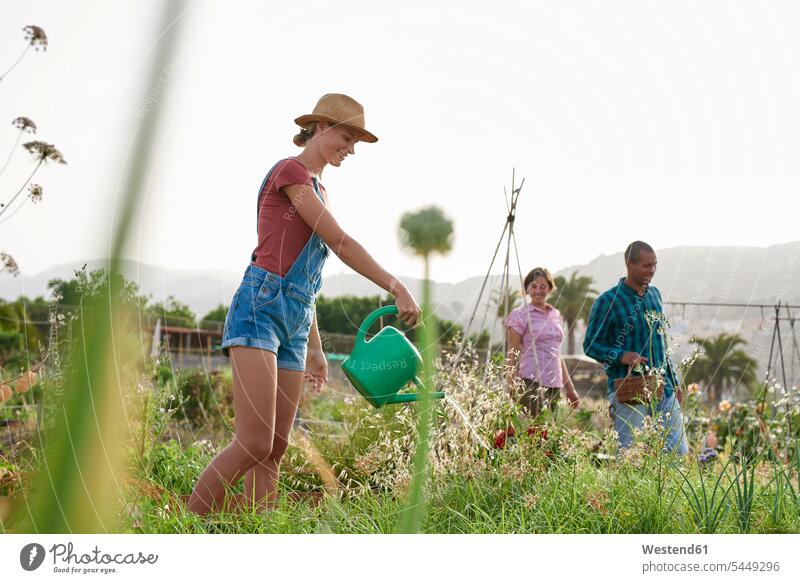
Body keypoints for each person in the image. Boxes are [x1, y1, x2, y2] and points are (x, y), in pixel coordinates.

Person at [187, 94, 421, 515]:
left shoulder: (322, 190)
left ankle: (257, 532)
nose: (350, 149)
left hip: (296, 319)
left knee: (275, 448)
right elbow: (340, 242)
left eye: (355, 144)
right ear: (320, 127)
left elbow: (308, 282)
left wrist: (313, 345)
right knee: (253, 442)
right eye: (346, 138)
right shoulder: (289, 172)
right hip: (260, 307)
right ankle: (184, 526)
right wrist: (394, 284)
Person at [583, 241, 688, 455]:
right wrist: (621, 356)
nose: (652, 270)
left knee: (677, 452)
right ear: (629, 265)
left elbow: (661, 341)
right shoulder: (607, 301)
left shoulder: (655, 295)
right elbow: (591, 345)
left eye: (654, 265)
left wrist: (675, 382)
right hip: (629, 389)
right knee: (632, 455)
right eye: (646, 265)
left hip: (663, 387)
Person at [505, 267, 580, 417]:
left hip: (554, 385)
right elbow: (512, 353)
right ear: (527, 289)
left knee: (548, 434)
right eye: (533, 286)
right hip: (531, 382)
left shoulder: (555, 315)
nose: (538, 291)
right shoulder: (521, 315)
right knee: (533, 433)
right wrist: (510, 386)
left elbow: (557, 353)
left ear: (550, 288)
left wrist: (569, 388)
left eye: (542, 286)